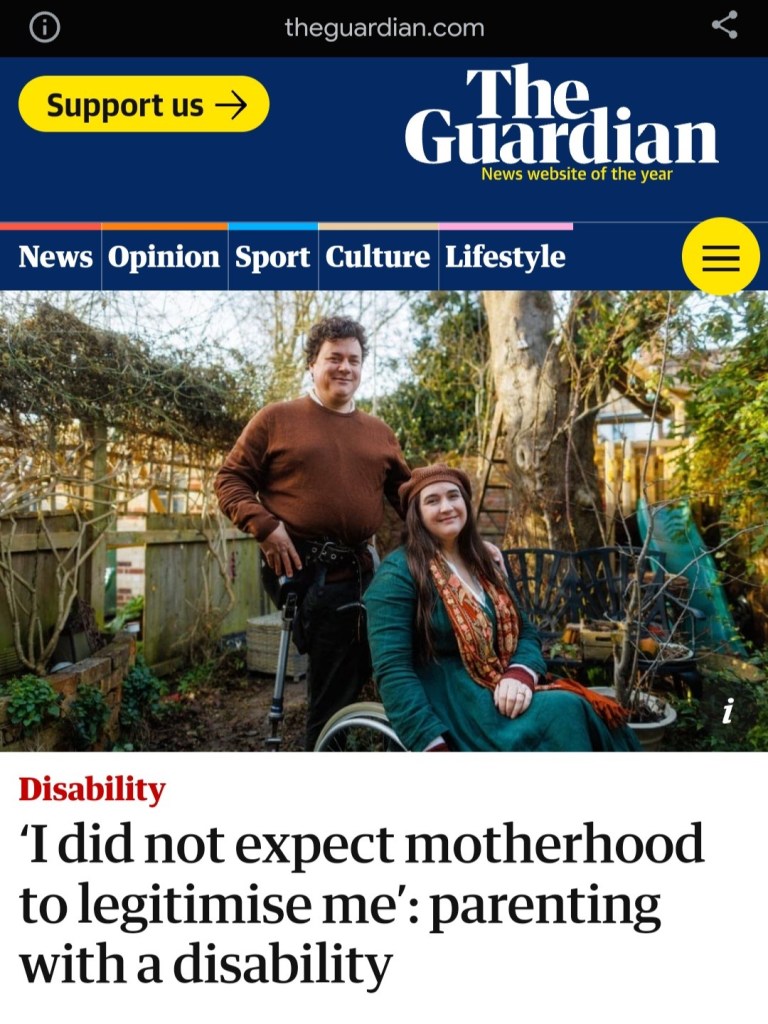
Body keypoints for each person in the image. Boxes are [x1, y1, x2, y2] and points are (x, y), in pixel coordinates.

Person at [214, 315, 411, 750]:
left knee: (375, 661)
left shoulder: (379, 433)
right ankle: (327, 755)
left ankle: (353, 739)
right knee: (335, 675)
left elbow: (410, 498)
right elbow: (230, 480)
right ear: (312, 364)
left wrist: (464, 539)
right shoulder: (277, 419)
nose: (345, 368)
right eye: (334, 358)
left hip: (362, 569)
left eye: (354, 360)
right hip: (302, 568)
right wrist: (265, 526)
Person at [364, 464, 640, 752]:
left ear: (465, 504)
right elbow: (392, 670)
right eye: (432, 500)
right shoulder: (398, 575)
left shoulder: (483, 562)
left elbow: (527, 632)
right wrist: (431, 744)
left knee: (590, 715)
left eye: (453, 496)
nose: (446, 507)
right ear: (416, 514)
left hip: (499, 692)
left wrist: (520, 673)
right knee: (565, 712)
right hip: (454, 708)